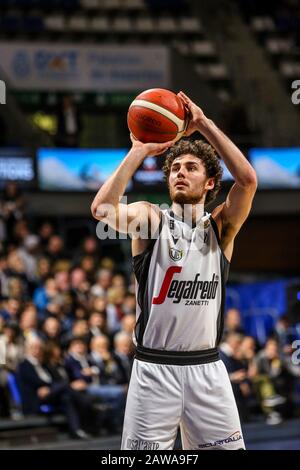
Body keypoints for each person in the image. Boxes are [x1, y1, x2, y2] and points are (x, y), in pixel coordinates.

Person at [91, 91, 257, 450]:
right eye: (176, 169)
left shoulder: (220, 228)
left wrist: (203, 124)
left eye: (191, 168)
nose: (181, 173)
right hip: (153, 371)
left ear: (210, 182)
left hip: (207, 370)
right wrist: (138, 150)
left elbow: (247, 180)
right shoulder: (151, 219)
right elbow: (102, 209)